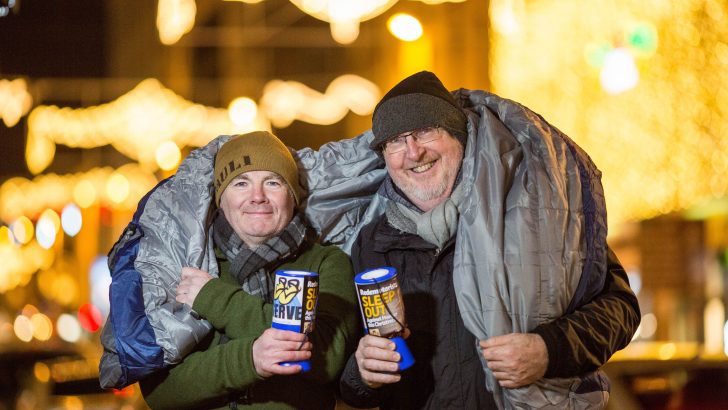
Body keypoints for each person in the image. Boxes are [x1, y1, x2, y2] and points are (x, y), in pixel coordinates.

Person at [336, 71, 641, 409]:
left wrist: (548, 350)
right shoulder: (370, 242)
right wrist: (361, 372)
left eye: (425, 131)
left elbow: (621, 309)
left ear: (460, 137)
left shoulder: (531, 210)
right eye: (394, 141)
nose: (413, 152)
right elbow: (343, 377)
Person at [136, 131, 360, 409]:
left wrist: (217, 300)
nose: (258, 197)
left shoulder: (325, 262)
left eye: (273, 182)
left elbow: (328, 357)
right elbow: (159, 389)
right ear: (220, 198)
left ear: (292, 195)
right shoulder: (191, 263)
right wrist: (250, 359)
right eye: (241, 183)